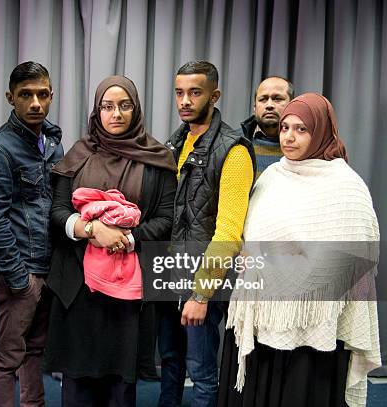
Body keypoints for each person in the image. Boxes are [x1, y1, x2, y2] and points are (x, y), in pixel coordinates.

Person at [219, 93, 381, 407]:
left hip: (312, 335)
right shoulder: (272, 178)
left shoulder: (345, 186)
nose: (289, 137)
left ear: (321, 131)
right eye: (284, 128)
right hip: (262, 319)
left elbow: (350, 262)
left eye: (301, 129)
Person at [45, 75, 177, 407]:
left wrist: (128, 237)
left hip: (128, 293)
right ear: (97, 111)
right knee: (77, 383)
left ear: (135, 110)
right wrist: (92, 230)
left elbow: (165, 218)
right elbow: (58, 212)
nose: (115, 114)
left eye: (124, 106)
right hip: (78, 288)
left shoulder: (157, 158)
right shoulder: (78, 155)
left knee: (121, 386)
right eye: (107, 106)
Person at [159, 61, 255, 407]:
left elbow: (229, 231)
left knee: (201, 371)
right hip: (168, 274)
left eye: (194, 93)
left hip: (203, 279)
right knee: (168, 361)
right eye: (180, 93)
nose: (185, 101)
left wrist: (201, 294)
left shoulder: (234, 150)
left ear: (214, 95)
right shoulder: (175, 142)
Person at [0, 61, 64, 407]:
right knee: (7, 358)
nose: (35, 104)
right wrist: (19, 278)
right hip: (22, 272)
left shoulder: (53, 141)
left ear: (51, 95)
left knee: (36, 351)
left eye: (42, 95)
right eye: (25, 95)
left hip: (50, 266)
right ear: (10, 98)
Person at [240, 76, 294, 178]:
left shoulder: (306, 147)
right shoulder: (236, 141)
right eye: (263, 99)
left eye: (277, 99)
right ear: (254, 107)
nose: (269, 105)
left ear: (292, 105)